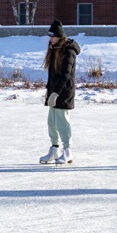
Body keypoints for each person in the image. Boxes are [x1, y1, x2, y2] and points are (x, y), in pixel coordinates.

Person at [39, 20, 81, 165]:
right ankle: (54, 149)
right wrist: (50, 91)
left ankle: (67, 151)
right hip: (54, 92)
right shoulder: (54, 48)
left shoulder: (69, 51)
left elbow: (65, 74)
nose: (50, 39)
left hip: (64, 92)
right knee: (52, 122)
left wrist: (55, 93)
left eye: (53, 37)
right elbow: (53, 75)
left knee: (63, 122)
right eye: (50, 37)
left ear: (60, 37)